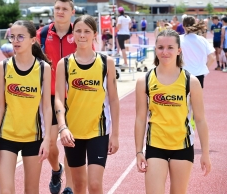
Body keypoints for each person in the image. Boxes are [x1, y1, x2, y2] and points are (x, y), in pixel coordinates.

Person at [135, 29, 211, 194]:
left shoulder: (191, 82)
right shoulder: (145, 81)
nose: (165, 52)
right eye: (160, 47)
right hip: (155, 145)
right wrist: (139, 151)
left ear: (179, 50)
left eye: (170, 47)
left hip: (182, 146)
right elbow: (140, 118)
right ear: (155, 49)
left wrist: (205, 153)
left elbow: (200, 120)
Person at [55, 14, 119, 194]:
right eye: (78, 31)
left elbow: (113, 99)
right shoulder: (64, 64)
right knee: (79, 185)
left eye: (87, 31)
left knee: (95, 185)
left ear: (95, 34)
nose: (82, 35)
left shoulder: (107, 63)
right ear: (72, 34)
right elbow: (58, 98)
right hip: (72, 132)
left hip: (98, 131)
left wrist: (115, 134)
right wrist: (62, 127)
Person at [0, 20, 51, 194]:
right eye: (13, 37)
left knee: (31, 190)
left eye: (21, 37)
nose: (15, 41)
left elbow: (47, 106)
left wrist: (47, 139)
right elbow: (0, 105)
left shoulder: (43, 68)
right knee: (6, 191)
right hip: (6, 136)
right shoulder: (3, 66)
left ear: (33, 39)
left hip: (34, 137)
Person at [36, 0, 77, 193]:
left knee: (71, 143)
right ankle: (56, 169)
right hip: (50, 97)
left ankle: (69, 187)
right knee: (51, 144)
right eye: (57, 8)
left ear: (72, 12)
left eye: (64, 9)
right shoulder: (42, 34)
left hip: (74, 96)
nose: (60, 12)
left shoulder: (78, 33)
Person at [180, 16, 216, 88]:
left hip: (183, 73)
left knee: (183, 98)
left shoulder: (178, 39)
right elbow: (212, 58)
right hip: (199, 74)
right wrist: (204, 68)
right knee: (197, 98)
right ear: (195, 25)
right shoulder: (202, 40)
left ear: (183, 26)